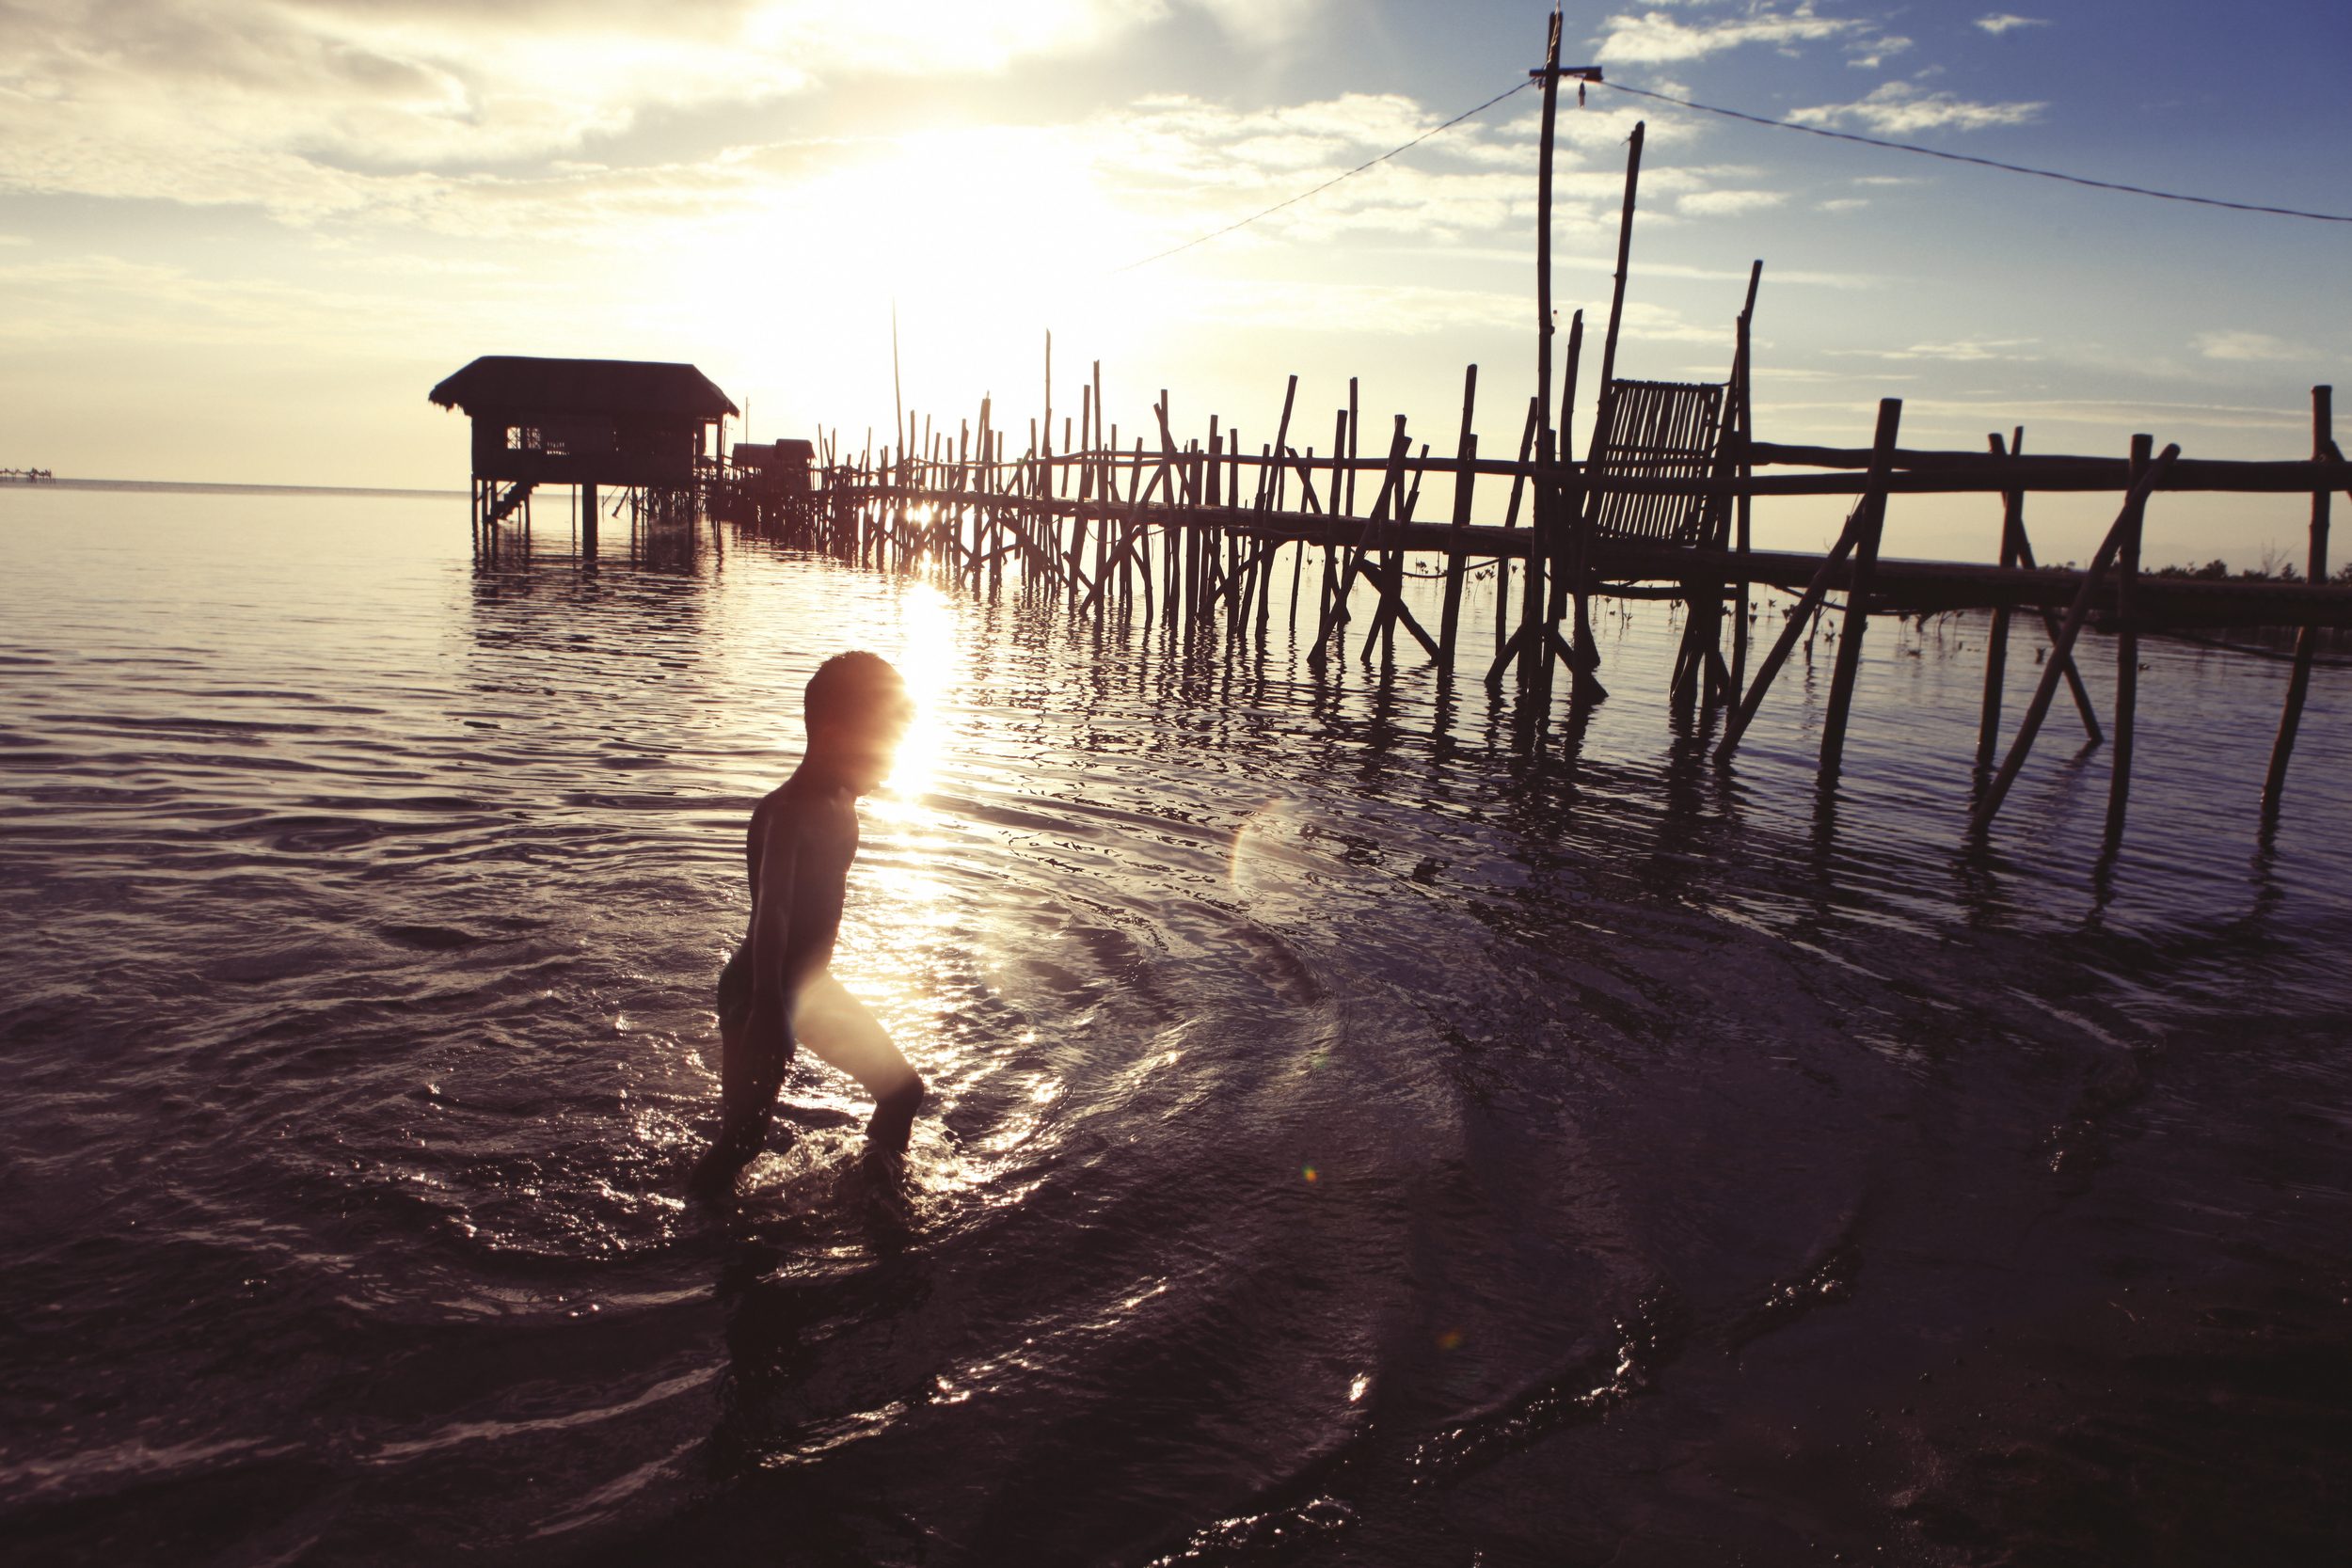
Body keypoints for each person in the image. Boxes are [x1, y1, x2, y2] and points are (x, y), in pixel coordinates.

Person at [691, 651, 925, 1200]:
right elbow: (773, 908)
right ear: (834, 732)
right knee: (746, 1138)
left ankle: (879, 1193)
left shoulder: (841, 800)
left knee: (903, 1092)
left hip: (810, 988)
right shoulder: (789, 812)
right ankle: (696, 1221)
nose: (892, 762)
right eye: (883, 744)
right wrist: (771, 1011)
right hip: (760, 990)